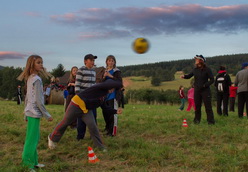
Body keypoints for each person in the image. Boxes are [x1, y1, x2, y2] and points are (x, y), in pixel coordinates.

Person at [48, 79, 123, 150]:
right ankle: (52, 138)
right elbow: (108, 84)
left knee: (92, 125)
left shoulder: (104, 95)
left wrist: (115, 111)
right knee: (65, 122)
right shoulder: (98, 87)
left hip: (86, 109)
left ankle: (99, 146)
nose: (112, 90)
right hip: (76, 104)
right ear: (108, 86)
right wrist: (120, 83)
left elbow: (105, 107)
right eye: (112, 88)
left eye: (114, 89)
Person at [17, 55, 53, 171]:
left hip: (31, 112)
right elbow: (38, 100)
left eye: (42, 62)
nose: (41, 64)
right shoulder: (36, 80)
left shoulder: (31, 78)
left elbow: (28, 98)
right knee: (31, 139)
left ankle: (34, 162)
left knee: (34, 138)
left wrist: (25, 113)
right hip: (34, 112)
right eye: (38, 62)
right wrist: (47, 115)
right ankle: (27, 164)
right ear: (32, 64)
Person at [181, 55, 215, 125]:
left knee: (208, 107)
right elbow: (189, 76)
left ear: (201, 60)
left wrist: (205, 85)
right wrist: (184, 76)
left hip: (205, 90)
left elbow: (212, 80)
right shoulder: (195, 70)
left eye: (196, 59)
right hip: (197, 90)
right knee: (197, 106)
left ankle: (211, 122)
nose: (195, 60)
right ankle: (196, 121)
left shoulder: (207, 69)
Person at [75, 54, 97, 140]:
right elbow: (77, 85)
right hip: (83, 99)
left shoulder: (94, 71)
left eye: (93, 60)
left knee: (93, 118)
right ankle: (80, 137)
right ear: (85, 61)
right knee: (81, 118)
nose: (93, 62)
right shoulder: (81, 70)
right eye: (91, 60)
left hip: (92, 99)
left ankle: (94, 136)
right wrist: (79, 98)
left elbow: (94, 85)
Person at [101, 55, 123, 136]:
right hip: (105, 95)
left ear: (114, 62)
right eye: (109, 60)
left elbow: (120, 82)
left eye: (112, 61)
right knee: (105, 113)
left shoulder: (116, 71)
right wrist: (104, 77)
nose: (110, 62)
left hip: (113, 96)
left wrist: (110, 76)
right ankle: (107, 128)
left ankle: (112, 132)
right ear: (106, 61)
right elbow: (101, 83)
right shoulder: (104, 71)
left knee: (112, 114)